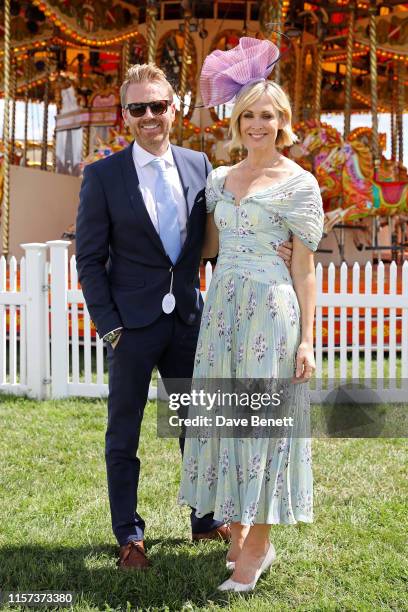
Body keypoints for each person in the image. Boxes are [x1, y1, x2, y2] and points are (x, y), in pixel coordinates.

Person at [75, 62, 293, 570]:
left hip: (190, 325)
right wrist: (109, 326)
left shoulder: (201, 168)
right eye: (138, 108)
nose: (149, 116)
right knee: (123, 431)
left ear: (176, 107)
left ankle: (204, 518)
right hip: (129, 328)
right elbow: (89, 259)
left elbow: (223, 238)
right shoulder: (102, 177)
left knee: (198, 426)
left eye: (158, 105)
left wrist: (273, 251)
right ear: (125, 115)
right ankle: (128, 535)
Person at [178, 38, 324, 592]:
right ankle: (237, 534)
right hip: (221, 314)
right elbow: (207, 248)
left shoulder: (299, 183)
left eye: (267, 115)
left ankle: (258, 545)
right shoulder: (218, 179)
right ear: (235, 121)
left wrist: (309, 341)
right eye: (248, 116)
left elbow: (306, 271)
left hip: (272, 314)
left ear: (282, 122)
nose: (257, 124)